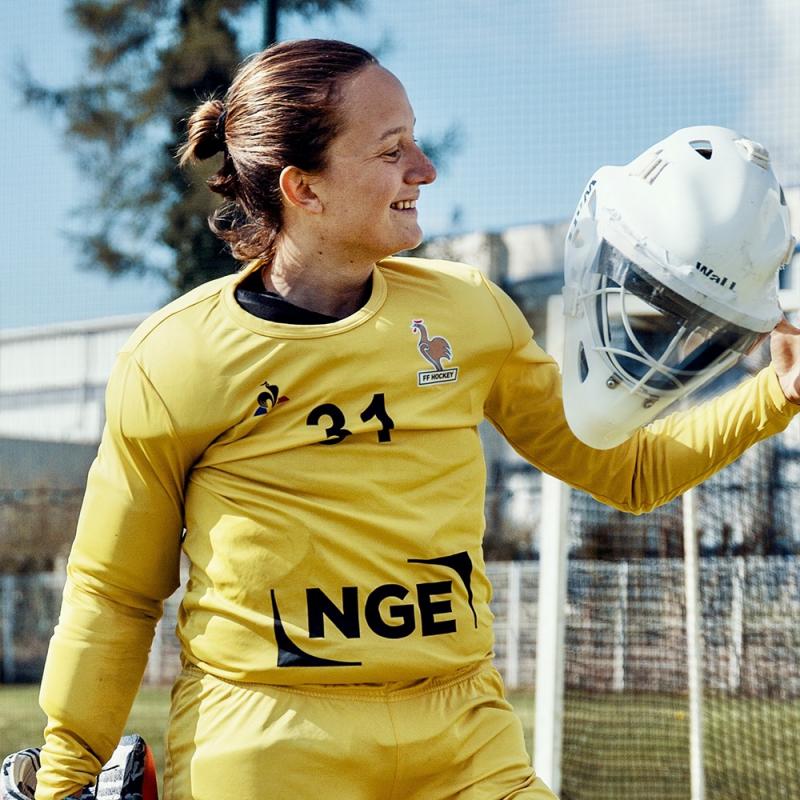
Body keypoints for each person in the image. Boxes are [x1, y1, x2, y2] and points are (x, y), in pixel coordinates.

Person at [32, 38, 800, 800]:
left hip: (463, 736)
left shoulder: (467, 312)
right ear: (304, 189)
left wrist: (779, 393)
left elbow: (627, 471)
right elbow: (115, 591)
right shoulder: (177, 356)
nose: (424, 170)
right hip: (268, 741)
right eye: (391, 150)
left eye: (417, 143)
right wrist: (65, 777)